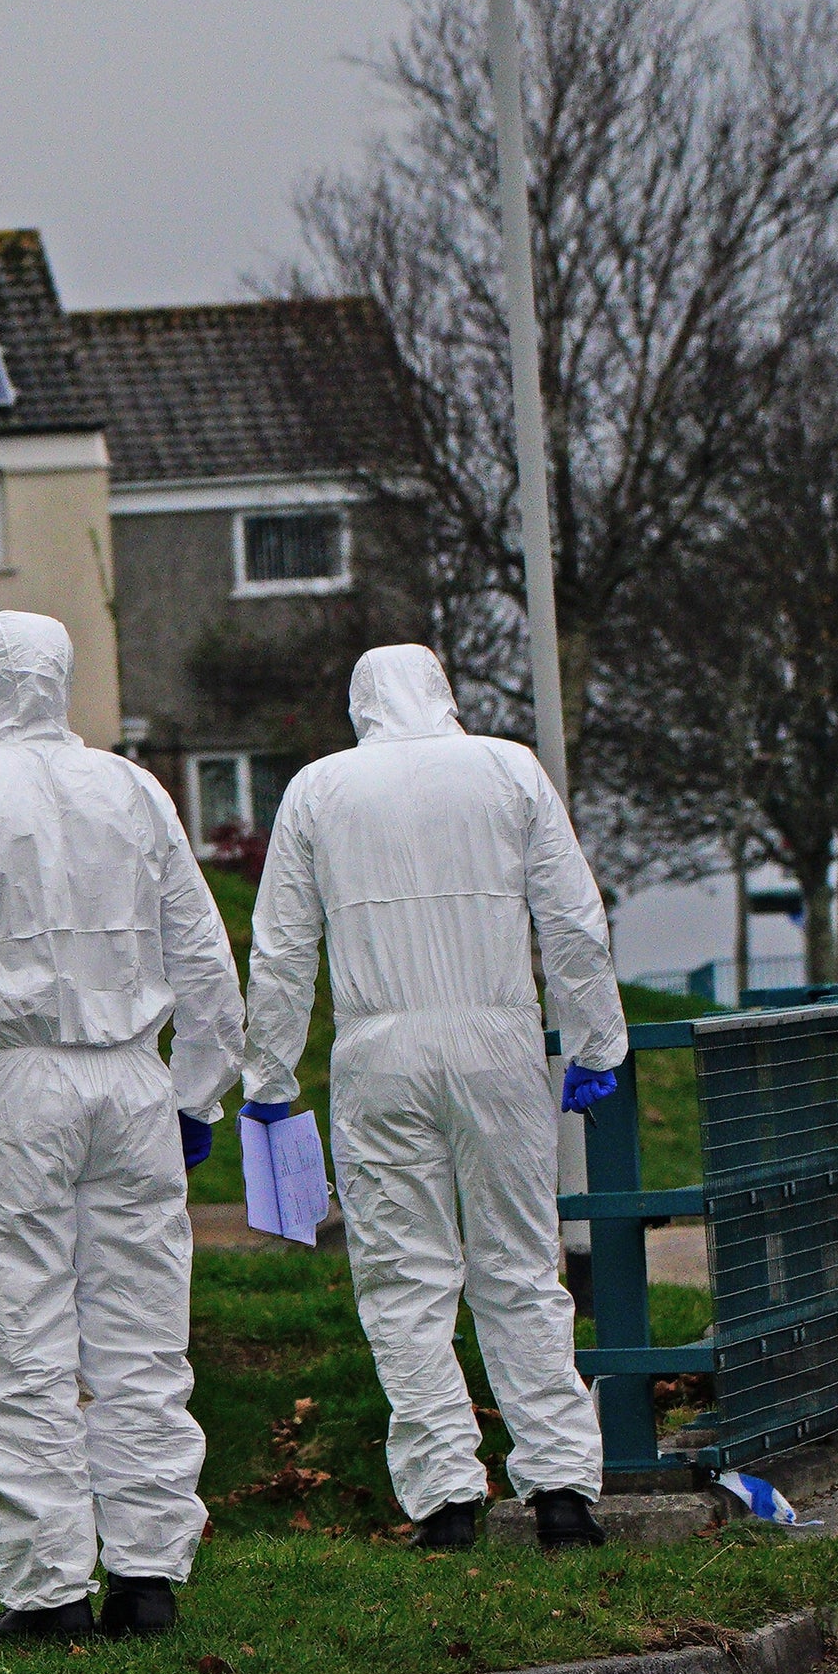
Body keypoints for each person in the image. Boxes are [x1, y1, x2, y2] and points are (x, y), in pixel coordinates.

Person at [0, 611, 245, 1643]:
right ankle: (147, 1574)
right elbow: (203, 956)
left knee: (19, 1336)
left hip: (13, 1083)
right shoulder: (133, 789)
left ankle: (45, 1589)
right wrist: (197, 1090)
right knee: (140, 1337)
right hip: (131, 1084)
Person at [242, 643, 621, 1551]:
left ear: (360, 703)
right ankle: (562, 1488)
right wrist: (599, 1038)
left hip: (380, 1050)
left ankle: (448, 1495)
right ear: (443, 693)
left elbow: (283, 949)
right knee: (521, 1266)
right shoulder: (507, 769)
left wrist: (269, 1076)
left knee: (403, 1279)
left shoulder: (320, 790)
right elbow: (571, 915)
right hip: (497, 1041)